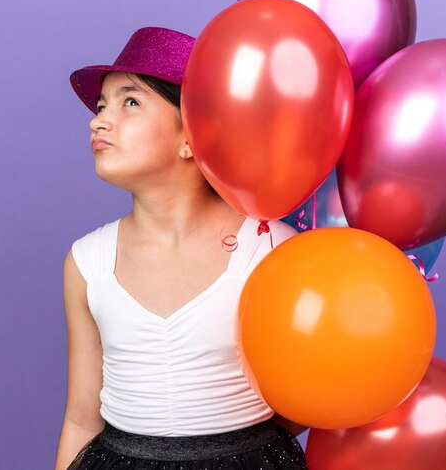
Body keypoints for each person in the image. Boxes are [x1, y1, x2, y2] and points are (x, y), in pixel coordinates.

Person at [54, 26, 309, 470]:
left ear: (193, 136)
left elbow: (303, 401)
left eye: (130, 102)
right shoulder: (87, 263)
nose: (99, 120)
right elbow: (80, 417)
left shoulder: (269, 249)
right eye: (100, 106)